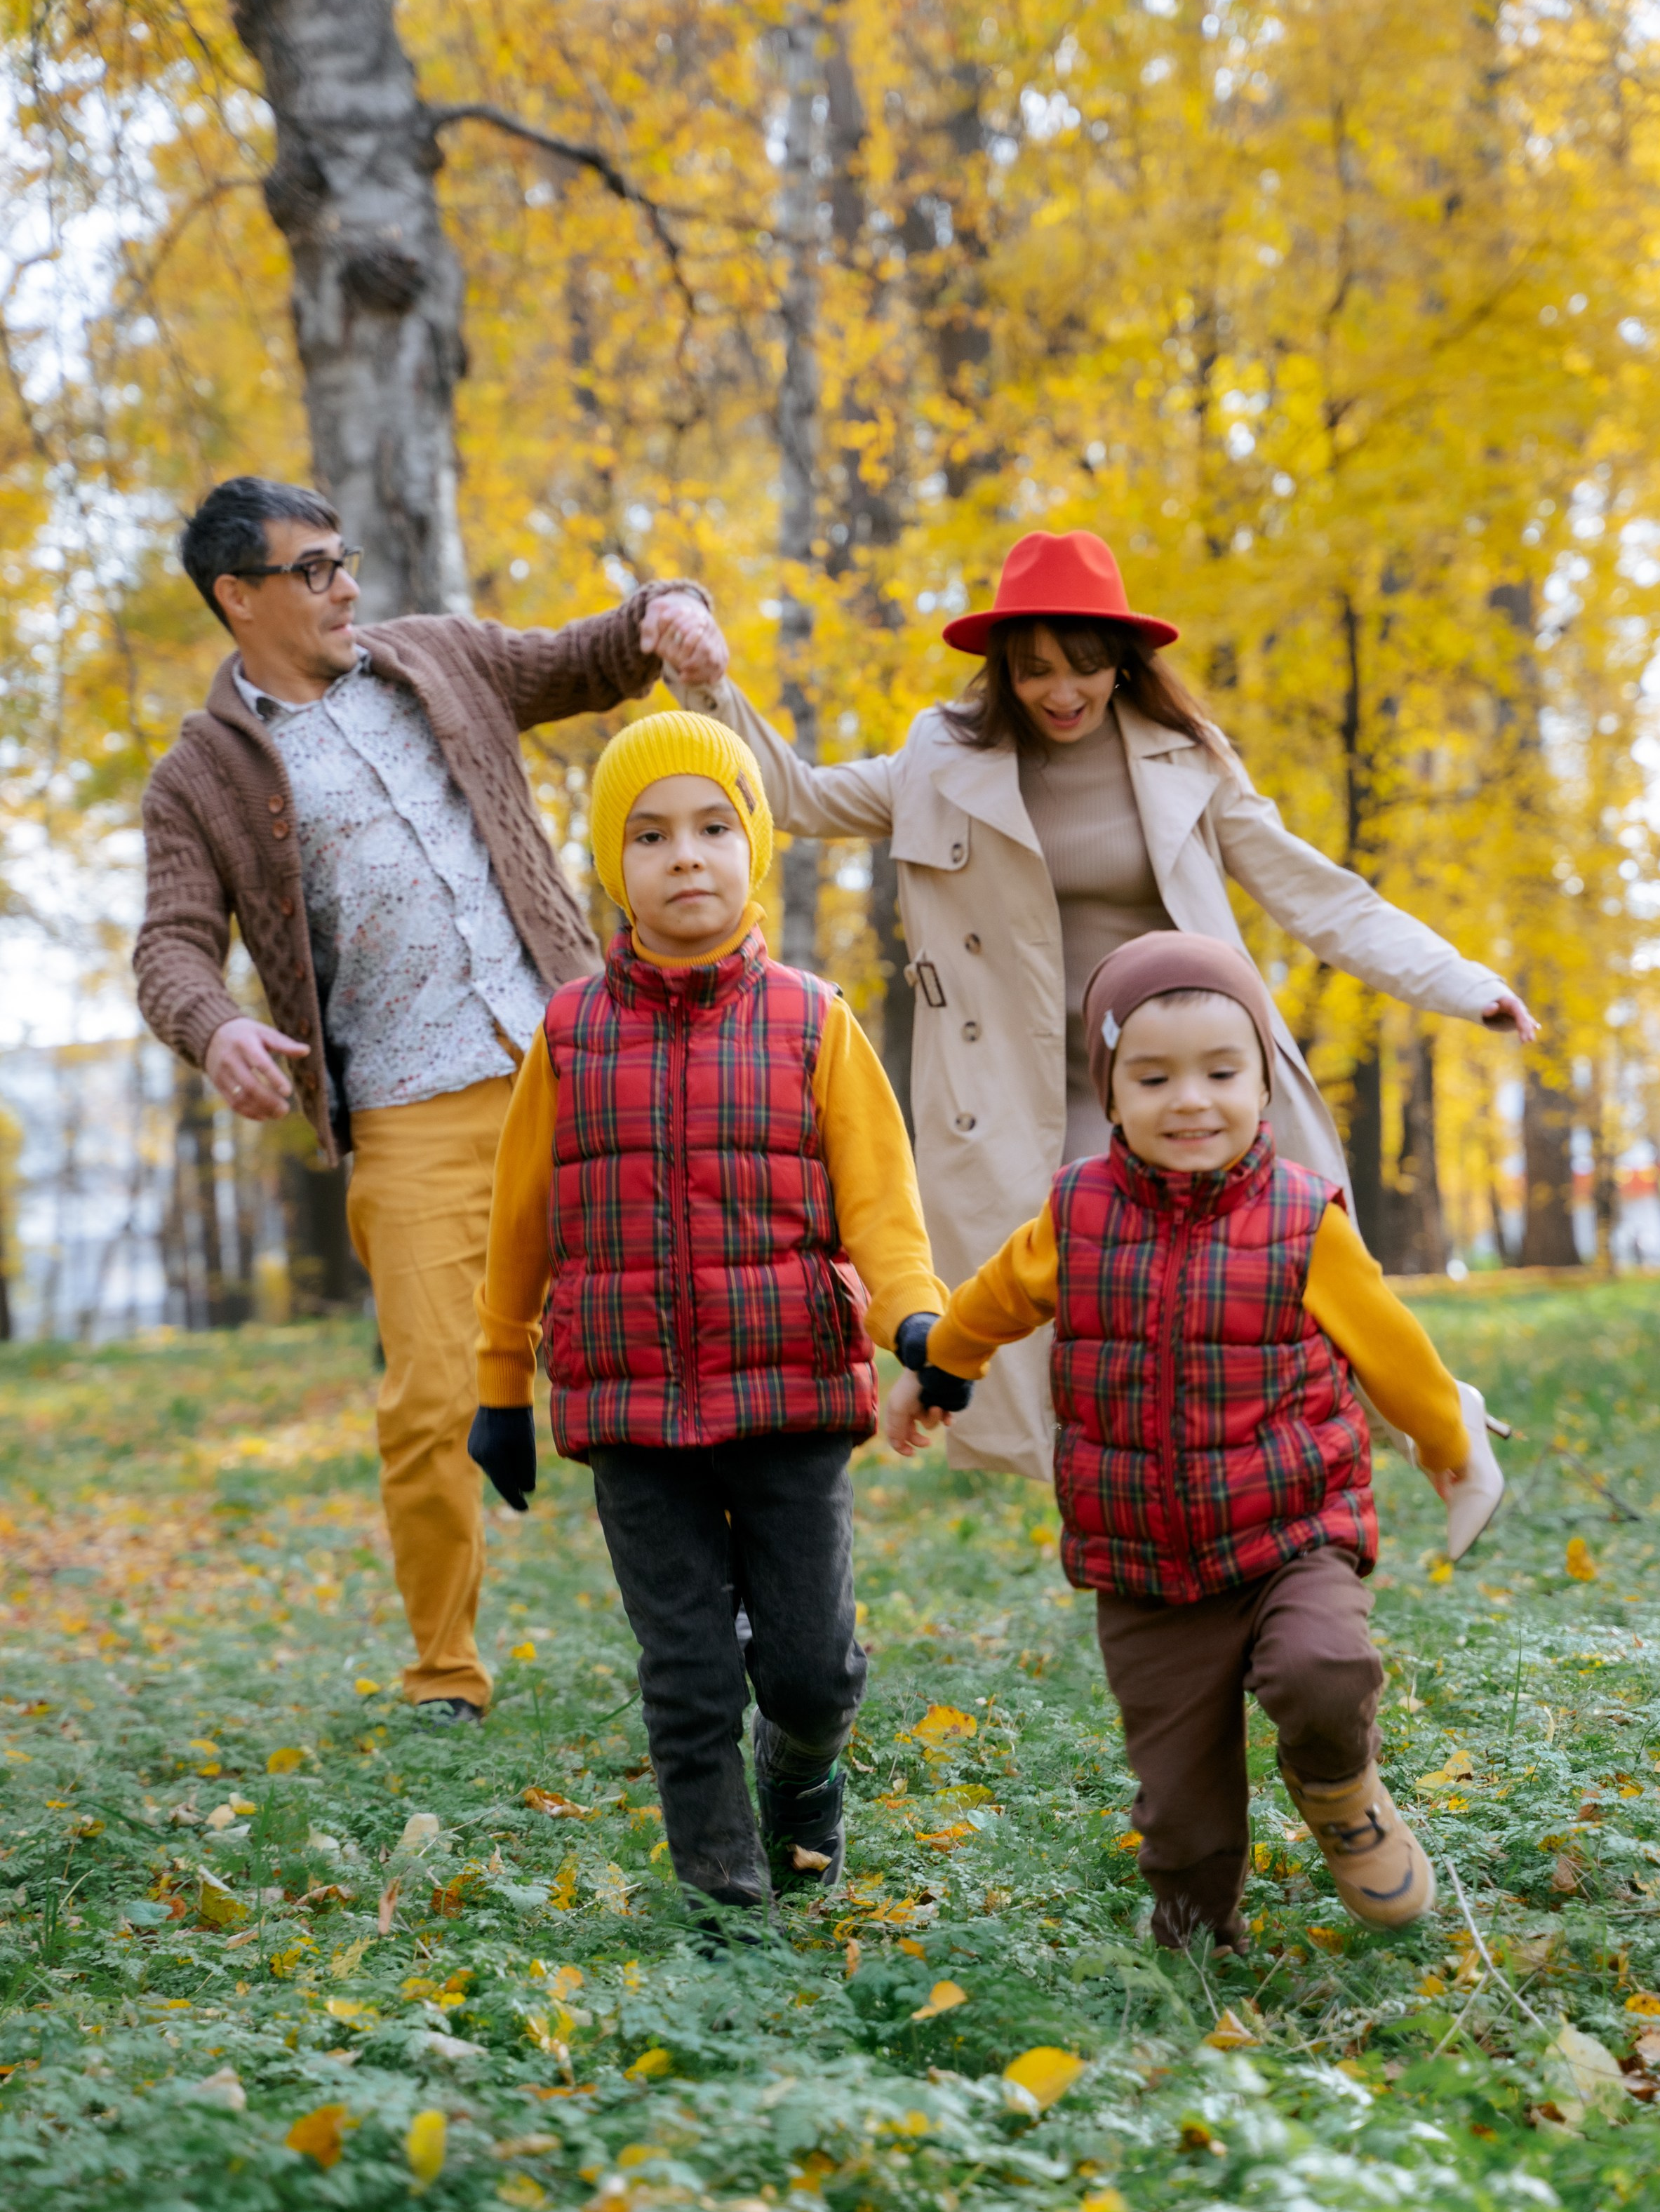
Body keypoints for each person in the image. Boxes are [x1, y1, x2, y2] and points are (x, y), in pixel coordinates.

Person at [673, 529, 1537, 1483]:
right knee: (1096, 1287)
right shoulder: (939, 760)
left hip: (1182, 1062)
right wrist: (710, 689)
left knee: (1286, 1270)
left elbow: (1318, 897)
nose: (1061, 690)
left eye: (1083, 665)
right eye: (1036, 668)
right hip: (1032, 1090)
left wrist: (1462, 982)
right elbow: (789, 796)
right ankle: (1150, 1484)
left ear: (1122, 664)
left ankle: (1429, 1424)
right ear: (1004, 669)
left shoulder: (1187, 765)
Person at [133, 476, 727, 1723]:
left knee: (677, 1336)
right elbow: (172, 946)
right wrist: (221, 1023)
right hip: (409, 1112)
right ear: (237, 598)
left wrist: (668, 612)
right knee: (430, 1400)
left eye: (343, 560)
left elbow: (587, 656)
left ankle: (736, 1609)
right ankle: (445, 1673)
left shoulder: (440, 659)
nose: (346, 586)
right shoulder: (199, 778)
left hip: (581, 1061)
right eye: (313, 570)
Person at [886, 931, 1477, 1953]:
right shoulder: (1077, 1213)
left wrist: (1445, 1444)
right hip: (1147, 1570)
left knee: (1324, 1671)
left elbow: (1395, 1351)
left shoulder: (1304, 1221)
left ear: (1262, 1082)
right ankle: (1198, 1946)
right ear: (1110, 1095)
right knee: (1182, 1803)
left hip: (1294, 1531)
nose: (1190, 1100)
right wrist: (942, 1368)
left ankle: (1340, 1790)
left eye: (1220, 1071)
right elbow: (991, 1302)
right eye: (1152, 1077)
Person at [471, 712, 953, 1927]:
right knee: (687, 1674)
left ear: (756, 848)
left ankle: (806, 1767)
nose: (685, 857)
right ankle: (724, 1894)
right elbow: (520, 1222)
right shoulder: (571, 1032)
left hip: (788, 1388)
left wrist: (913, 1324)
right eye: (650, 835)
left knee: (809, 1669)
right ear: (611, 868)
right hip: (629, 1406)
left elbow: (883, 1209)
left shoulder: (812, 1021)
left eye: (712, 827)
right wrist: (496, 1387)